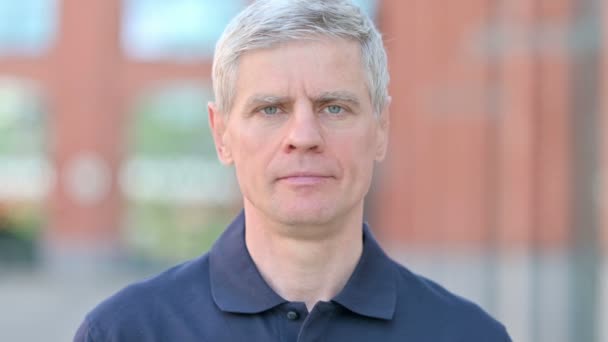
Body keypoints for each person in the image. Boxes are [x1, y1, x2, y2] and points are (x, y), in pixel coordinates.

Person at [74, 0, 511, 340]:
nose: (303, 135)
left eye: (334, 107)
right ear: (221, 134)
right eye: (270, 109)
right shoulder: (125, 332)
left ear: (381, 129)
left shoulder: (469, 335)